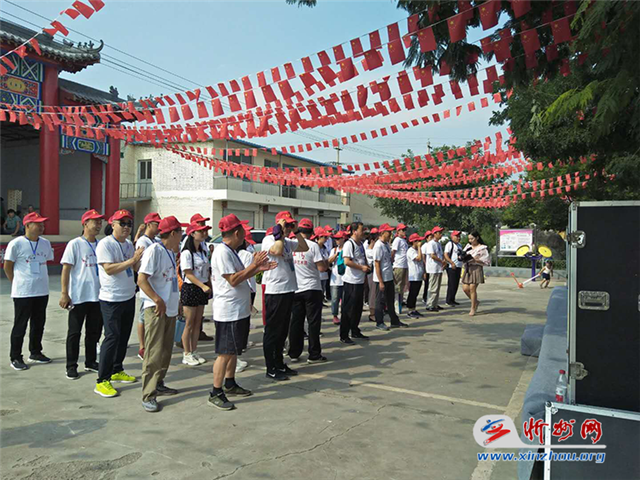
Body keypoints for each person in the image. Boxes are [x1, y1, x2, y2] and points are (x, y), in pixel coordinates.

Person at [208, 214, 275, 410]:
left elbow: (241, 275)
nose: (246, 235)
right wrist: (254, 266)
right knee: (224, 353)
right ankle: (215, 391)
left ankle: (230, 382)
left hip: (238, 310)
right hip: (228, 311)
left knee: (233, 350)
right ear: (237, 232)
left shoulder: (231, 252)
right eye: (243, 231)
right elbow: (233, 280)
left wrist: (258, 269)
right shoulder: (222, 252)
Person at [94, 209, 144, 398]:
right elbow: (109, 269)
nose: (126, 227)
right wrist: (132, 260)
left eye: (129, 224)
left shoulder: (129, 245)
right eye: (122, 223)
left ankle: (117, 369)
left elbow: (134, 267)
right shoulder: (105, 244)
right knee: (112, 337)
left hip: (128, 296)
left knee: (123, 337)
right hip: (111, 299)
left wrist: (138, 260)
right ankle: (102, 380)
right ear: (112, 224)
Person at [137, 216, 184, 412]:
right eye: (180, 232)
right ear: (173, 233)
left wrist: (176, 303)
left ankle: (159, 382)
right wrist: (157, 299)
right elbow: (142, 279)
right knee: (154, 352)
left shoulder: (170, 252)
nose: (181, 236)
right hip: (156, 309)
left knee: (165, 351)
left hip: (169, 309)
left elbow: (170, 281)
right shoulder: (154, 251)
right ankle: (148, 394)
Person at [261, 211, 308, 381]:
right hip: (275, 291)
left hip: (288, 290)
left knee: (282, 331)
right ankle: (271, 367)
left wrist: (296, 231)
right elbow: (277, 250)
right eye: (286, 225)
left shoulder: (288, 241)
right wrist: (278, 232)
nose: (288, 228)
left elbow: (304, 247)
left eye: (290, 225)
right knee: (273, 331)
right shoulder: (269, 240)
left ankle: (279, 363)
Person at [4, 212, 53, 371]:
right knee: (20, 325)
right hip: (23, 292)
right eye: (38, 224)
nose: (41, 226)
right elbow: (7, 266)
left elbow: (45, 261)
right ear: (27, 225)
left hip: (42, 290)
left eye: (42, 223)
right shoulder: (16, 244)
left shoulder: (45, 243)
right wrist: (16, 282)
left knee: (39, 324)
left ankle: (35, 352)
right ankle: (15, 357)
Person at [60, 209, 105, 380]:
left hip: (97, 296)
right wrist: (64, 293)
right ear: (85, 223)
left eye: (100, 222)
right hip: (78, 296)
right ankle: (71, 365)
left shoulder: (101, 244)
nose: (99, 225)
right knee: (74, 333)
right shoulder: (75, 244)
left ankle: (91, 361)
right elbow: (66, 269)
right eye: (95, 221)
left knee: (93, 332)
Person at [289, 221, 329, 363]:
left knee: (296, 322)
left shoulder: (291, 244)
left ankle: (294, 353)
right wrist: (327, 262)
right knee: (313, 323)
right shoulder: (313, 246)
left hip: (296, 288)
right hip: (312, 288)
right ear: (312, 233)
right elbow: (321, 268)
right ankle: (314, 354)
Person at [179, 223, 212, 366]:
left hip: (202, 287)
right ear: (192, 234)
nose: (204, 233)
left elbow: (206, 270)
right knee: (189, 323)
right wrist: (202, 286)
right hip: (192, 288)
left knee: (198, 322)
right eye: (201, 231)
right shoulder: (187, 253)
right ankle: (186, 353)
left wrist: (208, 284)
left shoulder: (203, 251)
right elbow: (188, 274)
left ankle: (194, 350)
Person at [134, 212, 162, 360]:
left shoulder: (155, 241)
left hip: (156, 283)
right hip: (147, 284)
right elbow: (139, 265)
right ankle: (142, 346)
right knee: (143, 316)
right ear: (149, 225)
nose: (159, 227)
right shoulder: (143, 241)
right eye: (157, 224)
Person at [340, 222, 372, 344]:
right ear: (354, 231)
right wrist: (361, 268)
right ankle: (344, 334)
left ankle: (355, 330)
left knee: (358, 308)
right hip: (351, 281)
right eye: (361, 230)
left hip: (360, 281)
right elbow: (347, 261)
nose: (363, 232)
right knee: (348, 309)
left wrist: (366, 267)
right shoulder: (349, 244)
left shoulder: (361, 244)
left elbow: (362, 259)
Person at [373, 224, 408, 330]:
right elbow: (377, 265)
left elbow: (388, 262)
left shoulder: (387, 245)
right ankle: (379, 322)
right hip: (381, 279)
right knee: (380, 301)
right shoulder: (378, 246)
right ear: (382, 233)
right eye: (388, 232)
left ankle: (394, 320)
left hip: (389, 277)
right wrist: (380, 281)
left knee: (390, 300)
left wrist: (392, 276)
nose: (390, 234)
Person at [461, 231, 491, 316]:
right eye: (469, 239)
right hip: (467, 268)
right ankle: (475, 302)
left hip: (476, 268)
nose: (470, 240)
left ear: (477, 238)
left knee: (472, 288)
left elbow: (486, 261)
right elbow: (463, 255)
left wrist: (475, 260)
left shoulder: (482, 248)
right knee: (465, 288)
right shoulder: (468, 247)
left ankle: (473, 308)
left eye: (472, 238)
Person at [425, 226, 446, 312]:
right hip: (433, 268)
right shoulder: (431, 243)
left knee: (437, 287)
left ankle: (435, 303)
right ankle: (430, 304)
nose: (441, 234)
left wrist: (443, 262)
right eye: (439, 233)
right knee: (433, 287)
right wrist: (441, 261)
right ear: (434, 234)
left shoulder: (438, 243)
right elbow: (432, 255)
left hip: (438, 268)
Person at [328, 231, 346, 325]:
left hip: (346, 278)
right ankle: (335, 315)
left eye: (338, 238)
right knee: (335, 299)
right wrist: (336, 255)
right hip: (335, 279)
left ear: (343, 239)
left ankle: (345, 315)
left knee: (345, 299)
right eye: (336, 239)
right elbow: (329, 261)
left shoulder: (347, 249)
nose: (337, 240)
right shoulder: (334, 250)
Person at [391, 223, 409, 314]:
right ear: (398, 231)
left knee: (402, 287)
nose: (404, 231)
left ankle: (399, 304)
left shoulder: (403, 240)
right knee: (397, 287)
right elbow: (393, 252)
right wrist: (392, 262)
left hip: (404, 265)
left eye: (405, 230)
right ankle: (395, 306)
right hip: (398, 265)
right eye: (403, 230)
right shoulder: (397, 240)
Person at [406, 233, 425, 318]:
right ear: (414, 242)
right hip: (413, 276)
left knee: (416, 293)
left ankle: (413, 309)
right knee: (412, 293)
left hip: (419, 275)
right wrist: (419, 247)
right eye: (418, 241)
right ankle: (410, 310)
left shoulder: (417, 250)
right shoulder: (411, 251)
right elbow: (419, 258)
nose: (420, 242)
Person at [444, 231, 464, 307]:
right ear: (452, 237)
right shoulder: (450, 244)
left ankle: (453, 299)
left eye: (459, 236)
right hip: (451, 267)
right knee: (451, 284)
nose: (458, 238)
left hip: (458, 266)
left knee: (455, 284)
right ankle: (448, 300)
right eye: (457, 236)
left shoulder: (459, 245)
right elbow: (446, 254)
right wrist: (451, 263)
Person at [365, 228, 378, 322]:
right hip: (371, 274)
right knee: (372, 294)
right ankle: (372, 313)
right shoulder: (368, 251)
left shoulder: (375, 250)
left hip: (376, 274)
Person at [421, 230, 433, 305]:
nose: (431, 239)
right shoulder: (425, 246)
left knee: (431, 285)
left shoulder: (432, 245)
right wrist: (424, 270)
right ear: (427, 238)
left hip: (431, 268)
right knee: (427, 284)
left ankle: (430, 298)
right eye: (430, 237)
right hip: (427, 268)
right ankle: (425, 297)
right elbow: (423, 257)